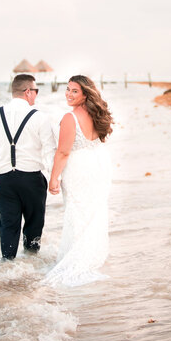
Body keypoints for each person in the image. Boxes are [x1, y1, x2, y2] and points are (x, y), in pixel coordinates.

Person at [45, 75, 114, 286]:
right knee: (92, 212)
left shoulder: (70, 117)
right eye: (67, 89)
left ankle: (79, 258)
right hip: (99, 165)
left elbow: (63, 152)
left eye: (74, 91)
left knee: (77, 212)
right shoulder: (97, 115)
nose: (68, 94)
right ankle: (92, 255)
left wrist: (53, 178)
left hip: (79, 169)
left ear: (85, 94)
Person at [0, 74, 56, 260]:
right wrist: (54, 176)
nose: (36, 95)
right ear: (27, 92)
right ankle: (31, 262)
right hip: (31, 179)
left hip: (4, 179)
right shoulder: (40, 117)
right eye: (36, 91)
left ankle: (7, 264)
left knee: (8, 224)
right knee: (34, 223)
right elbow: (49, 150)